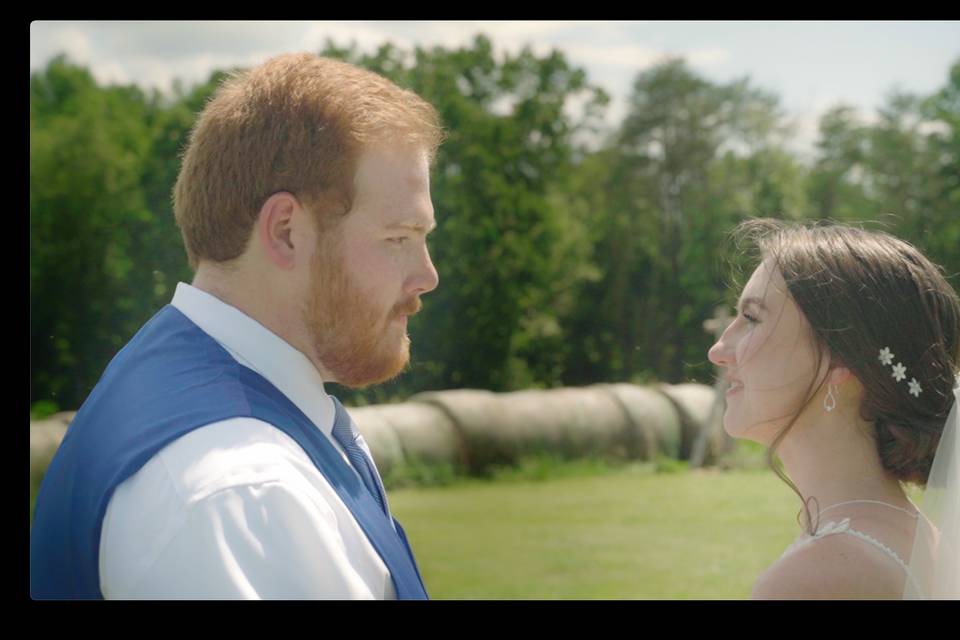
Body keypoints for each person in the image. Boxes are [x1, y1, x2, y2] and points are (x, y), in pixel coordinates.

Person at [30, 52, 444, 599]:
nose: (427, 275)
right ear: (287, 232)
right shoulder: (243, 491)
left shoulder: (181, 385)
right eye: (398, 238)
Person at [708, 218, 959, 599]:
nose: (718, 351)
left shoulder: (813, 580)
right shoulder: (925, 540)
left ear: (840, 358)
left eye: (752, 318)